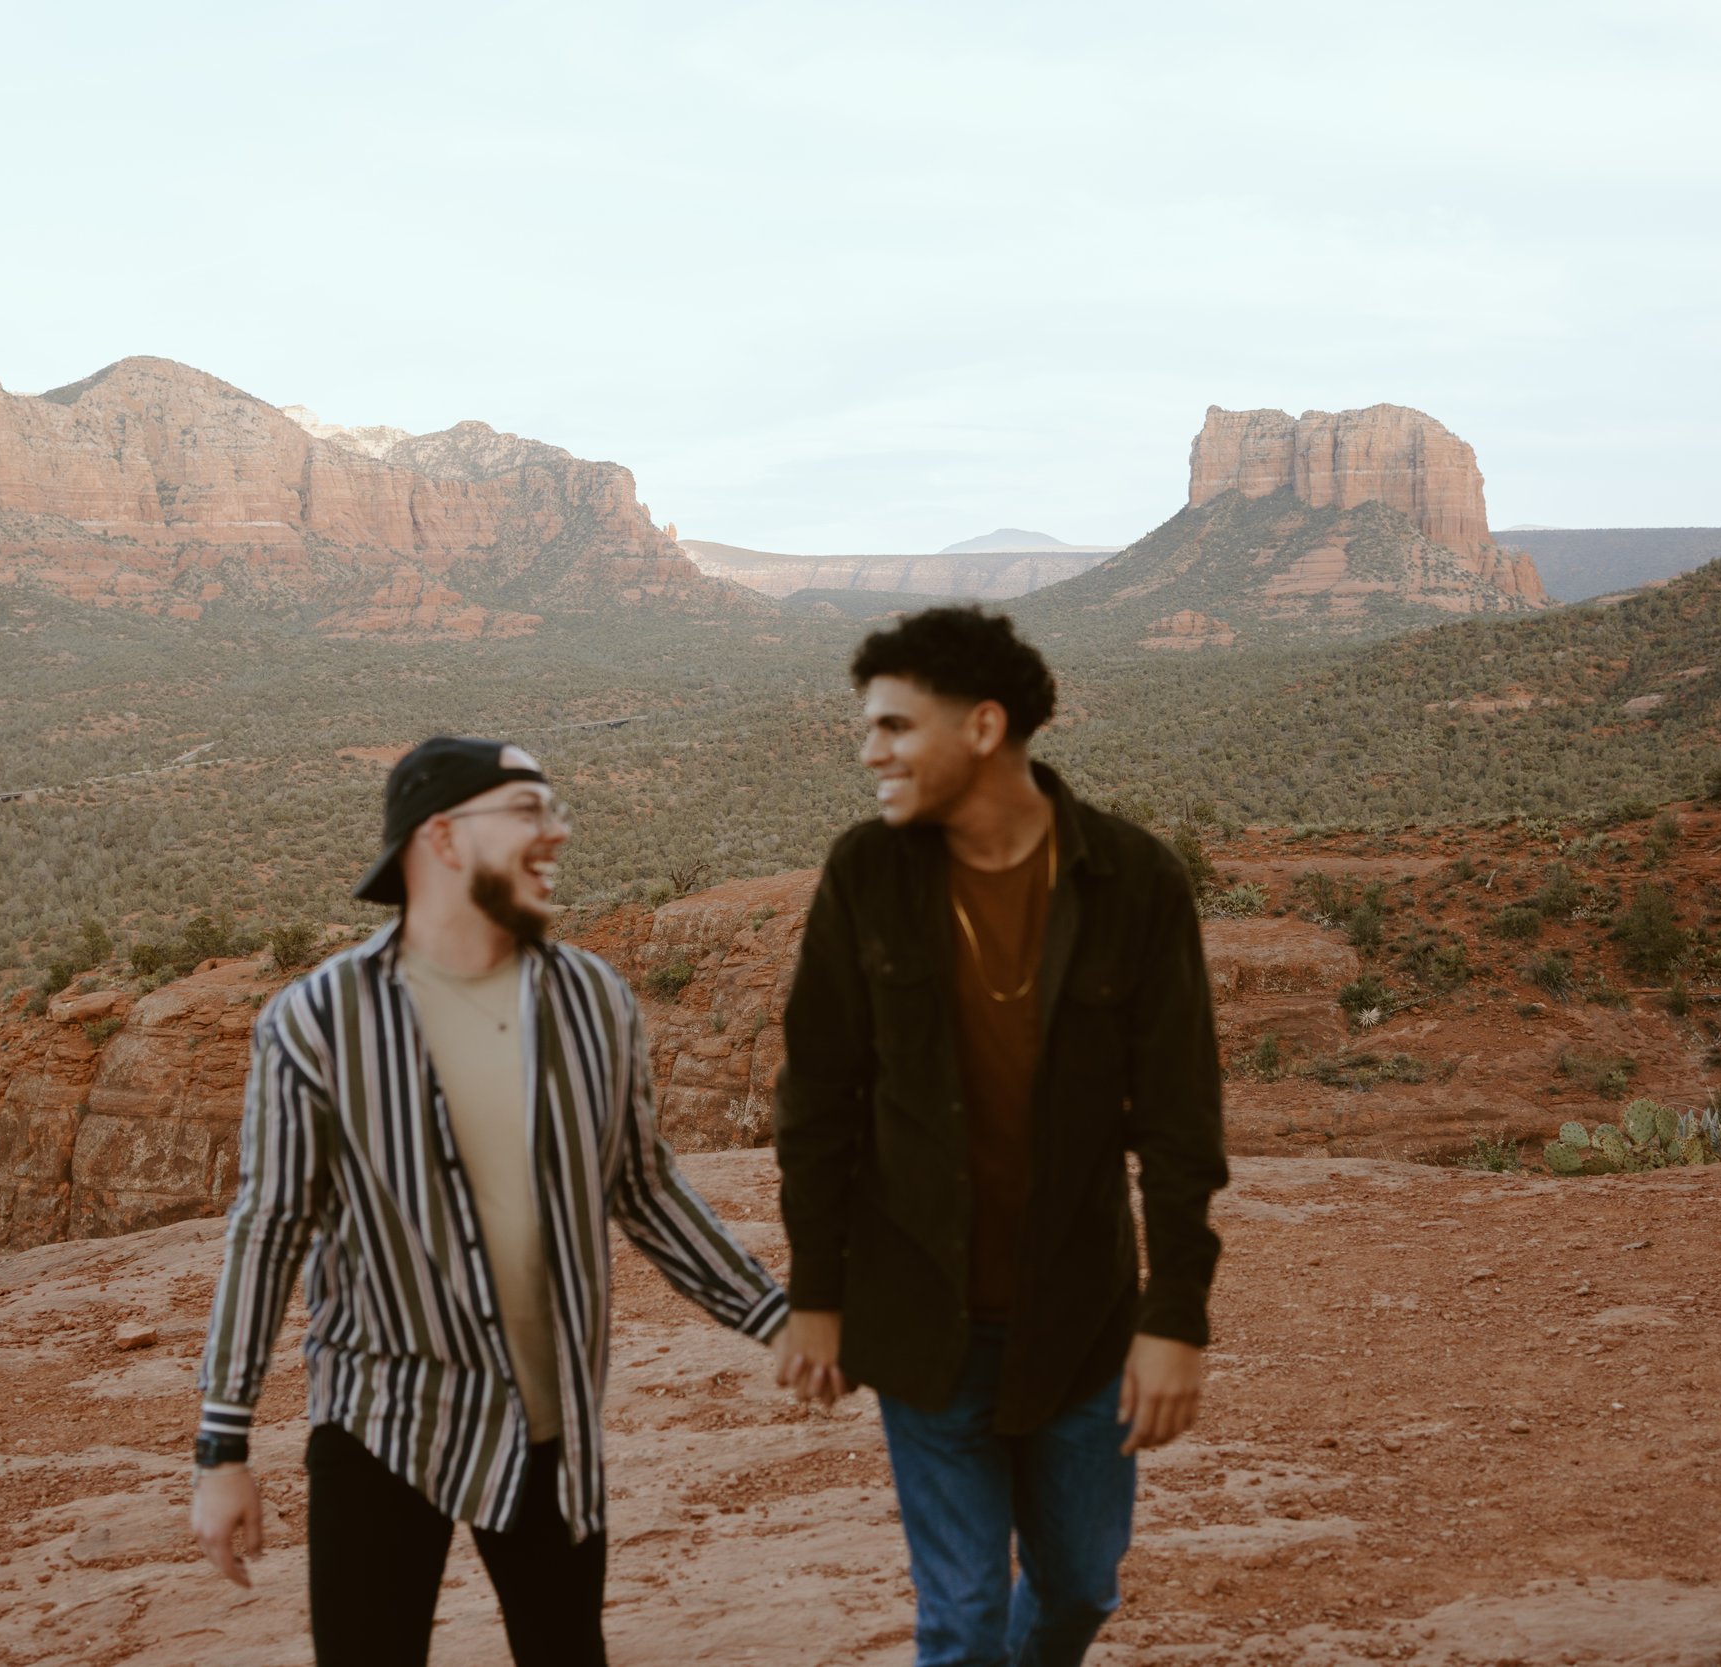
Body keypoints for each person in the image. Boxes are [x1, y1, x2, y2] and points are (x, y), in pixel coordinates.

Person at [189, 735, 793, 1665]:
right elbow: (267, 1232)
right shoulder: (317, 1018)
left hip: (549, 1423)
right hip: (385, 1420)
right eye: (526, 812)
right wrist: (222, 1450)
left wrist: (773, 1316)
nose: (556, 832)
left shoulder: (594, 1000)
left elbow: (642, 1186)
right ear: (439, 838)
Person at [772, 607, 1227, 1667]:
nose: (869, 750)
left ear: (982, 726)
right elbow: (816, 1102)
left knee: (1078, 1587)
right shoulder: (865, 875)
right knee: (963, 1614)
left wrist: (1177, 1317)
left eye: (893, 724)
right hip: (921, 1319)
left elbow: (1177, 1123)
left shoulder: (1135, 881)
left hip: (1078, 1318)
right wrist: (817, 1296)